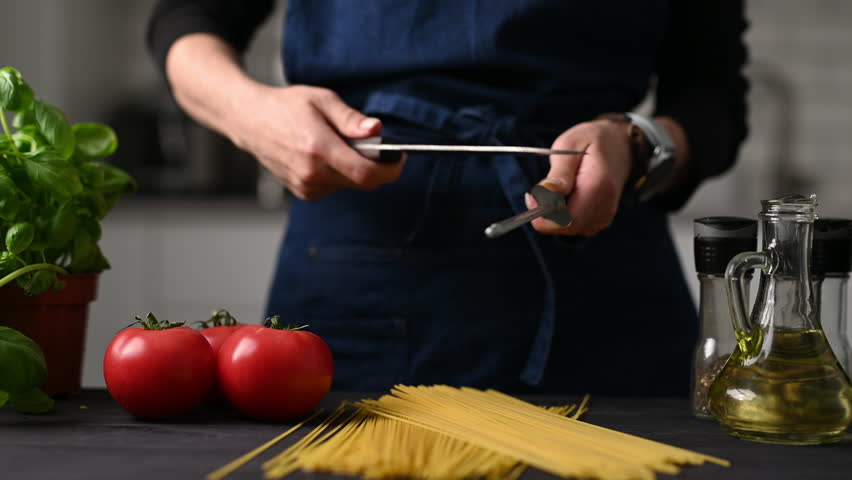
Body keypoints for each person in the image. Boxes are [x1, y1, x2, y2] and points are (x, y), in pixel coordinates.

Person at [146, 1, 749, 396]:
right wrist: (253, 112)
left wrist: (638, 144)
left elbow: (713, 93)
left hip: (608, 272)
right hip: (361, 269)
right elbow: (186, 18)